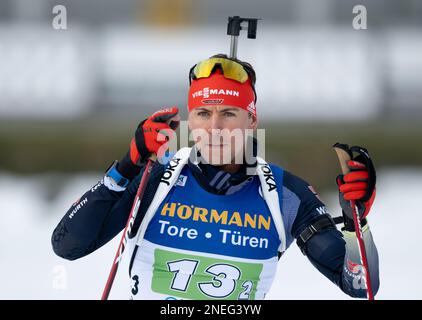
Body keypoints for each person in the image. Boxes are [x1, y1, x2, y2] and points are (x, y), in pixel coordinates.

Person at [51, 54, 379, 300]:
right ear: (191, 120)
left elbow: (361, 286)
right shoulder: (155, 180)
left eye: (228, 114)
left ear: (251, 121)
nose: (215, 128)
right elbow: (67, 245)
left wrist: (356, 223)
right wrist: (126, 167)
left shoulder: (286, 196)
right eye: (204, 113)